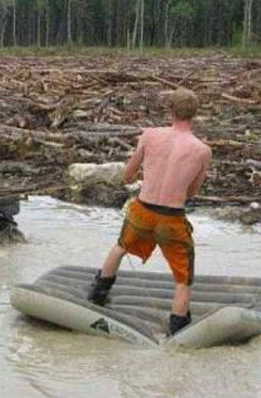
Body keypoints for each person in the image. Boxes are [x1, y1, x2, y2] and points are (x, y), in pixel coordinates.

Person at [87, 89, 212, 335]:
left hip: (143, 211)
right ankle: (177, 330)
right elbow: (192, 192)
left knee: (120, 248)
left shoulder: (150, 135)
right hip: (172, 218)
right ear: (194, 115)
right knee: (183, 279)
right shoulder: (202, 150)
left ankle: (96, 297)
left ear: (170, 110)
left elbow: (127, 175)